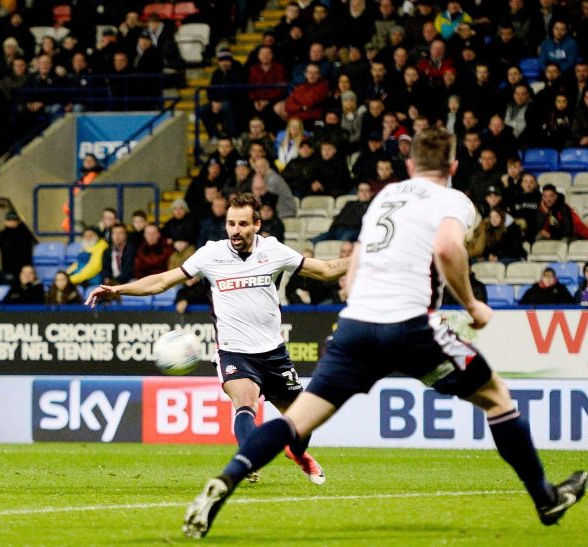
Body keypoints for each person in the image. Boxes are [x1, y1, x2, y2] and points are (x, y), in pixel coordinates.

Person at [182, 128, 587, 539]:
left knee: (298, 420)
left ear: (409, 165)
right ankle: (545, 498)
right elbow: (448, 248)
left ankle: (227, 479)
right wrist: (472, 304)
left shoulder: (385, 197)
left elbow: (355, 262)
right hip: (411, 326)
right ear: (453, 166)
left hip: (357, 325)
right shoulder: (453, 199)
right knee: (497, 399)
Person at [87, 193, 349, 484]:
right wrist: (117, 289)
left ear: (257, 225)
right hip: (234, 352)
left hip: (273, 353)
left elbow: (325, 271)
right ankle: (248, 463)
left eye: (243, 224)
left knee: (303, 422)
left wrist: (366, 259)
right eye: (231, 223)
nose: (236, 230)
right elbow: (162, 281)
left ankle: (298, 454)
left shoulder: (273, 251)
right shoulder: (210, 255)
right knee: (245, 403)